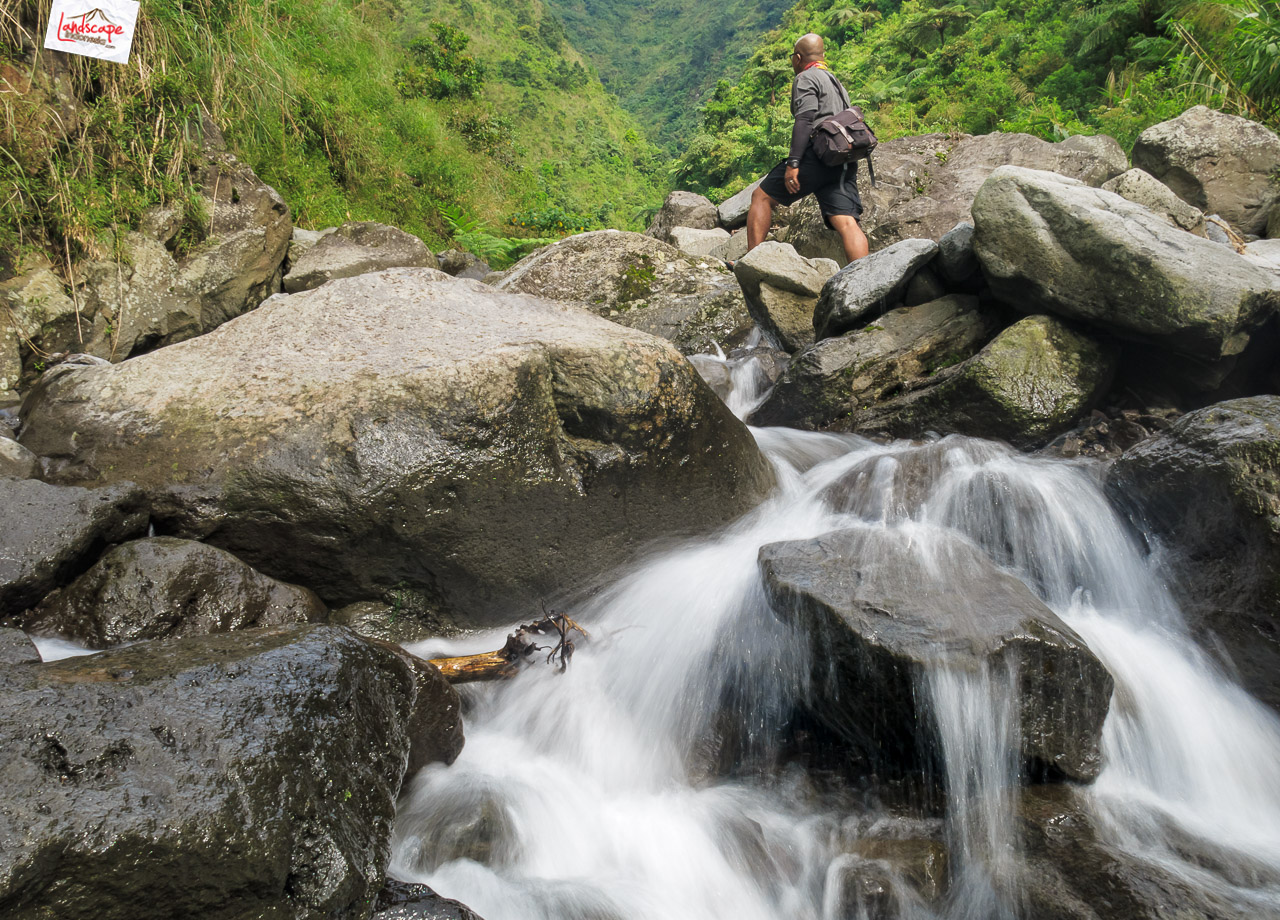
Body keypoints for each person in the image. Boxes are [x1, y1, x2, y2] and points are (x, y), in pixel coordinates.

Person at [745, 33, 869, 264]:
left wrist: (794, 163)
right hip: (844, 159)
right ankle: (862, 277)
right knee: (846, 221)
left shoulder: (805, 78)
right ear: (822, 56)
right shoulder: (836, 82)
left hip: (818, 156)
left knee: (761, 197)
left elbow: (805, 120)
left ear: (797, 58)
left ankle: (752, 262)